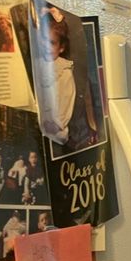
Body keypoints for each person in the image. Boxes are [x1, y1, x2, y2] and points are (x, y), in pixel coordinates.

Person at [37, 9, 99, 153]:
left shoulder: (63, 70)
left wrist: (58, 123)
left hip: (55, 126)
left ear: (61, 48)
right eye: (44, 40)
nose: (46, 46)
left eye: (52, 43)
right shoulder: (37, 64)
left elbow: (67, 99)